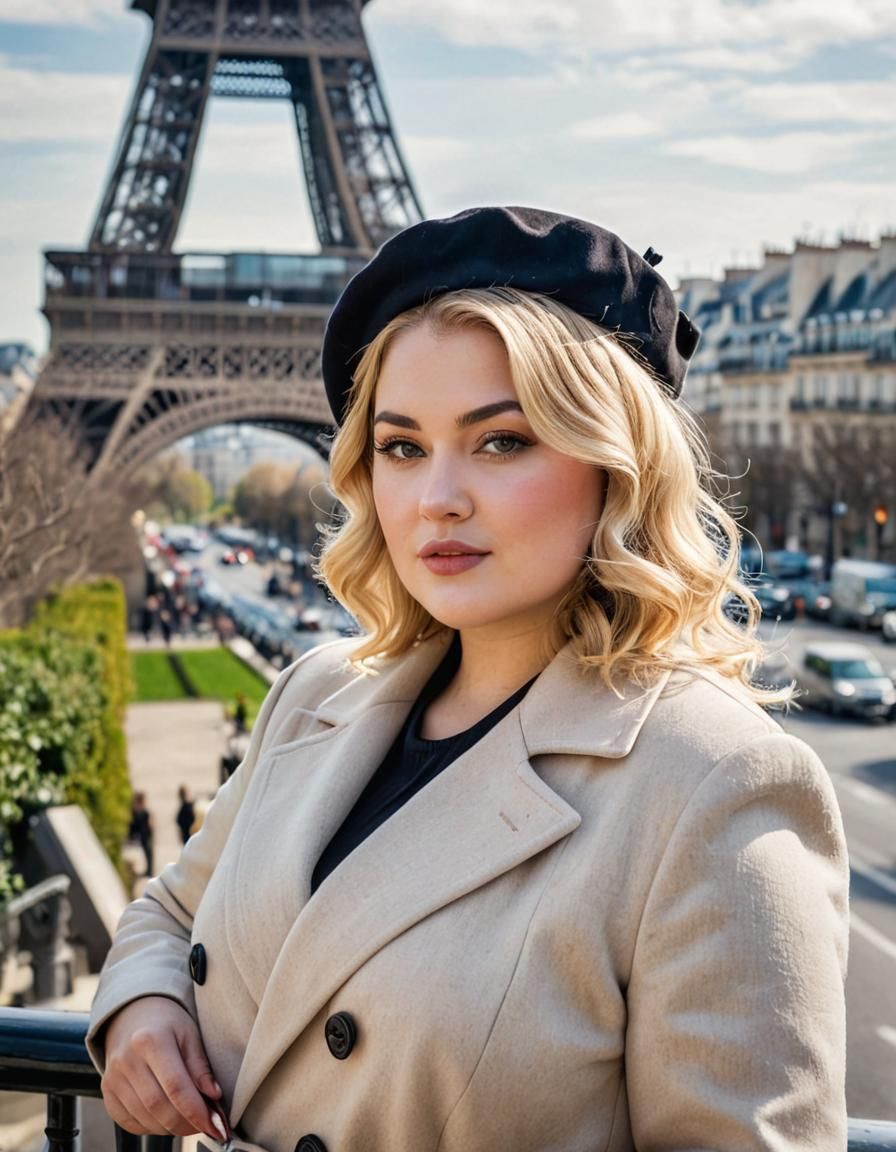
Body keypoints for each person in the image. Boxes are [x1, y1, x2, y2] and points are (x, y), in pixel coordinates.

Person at [87, 208, 848, 1152]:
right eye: (402, 447)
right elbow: (169, 910)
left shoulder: (714, 782)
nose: (437, 496)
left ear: (618, 471)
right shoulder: (317, 692)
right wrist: (140, 1005)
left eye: (502, 442)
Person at [127, 791, 153, 878]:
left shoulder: (140, 811)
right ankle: (148, 871)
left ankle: (149, 871)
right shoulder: (141, 811)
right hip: (143, 835)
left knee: (147, 854)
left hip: (143, 835)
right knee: (147, 854)